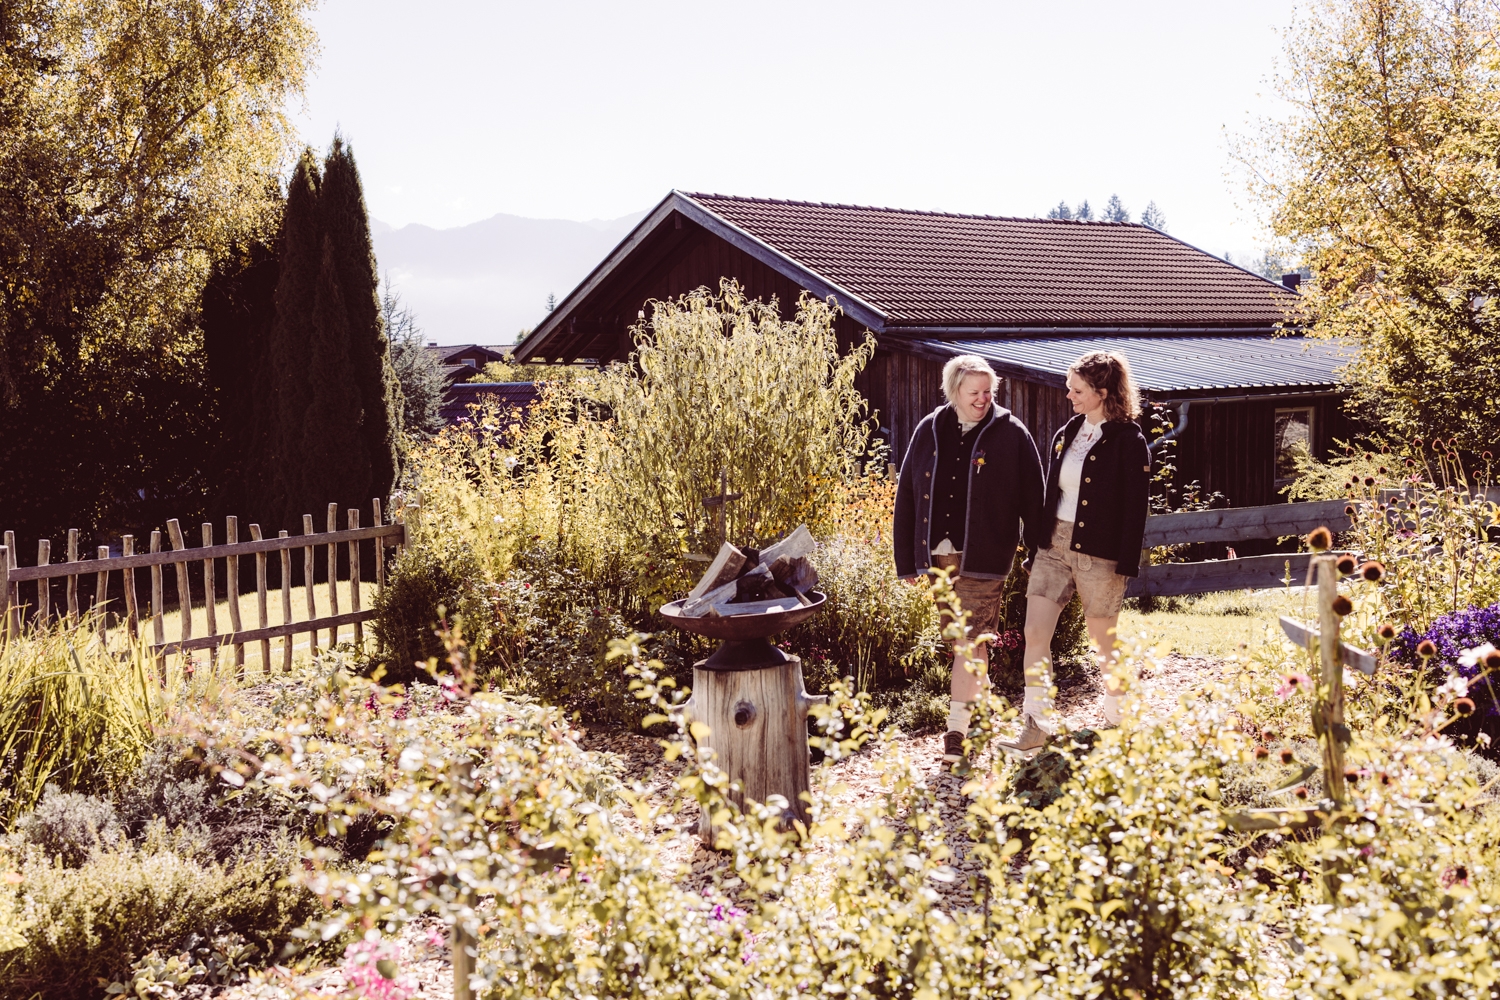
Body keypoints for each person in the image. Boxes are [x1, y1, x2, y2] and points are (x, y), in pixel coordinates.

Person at [893, 354, 1045, 763]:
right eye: (974, 392)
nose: (982, 399)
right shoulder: (930, 429)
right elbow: (906, 493)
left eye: (988, 391)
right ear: (954, 390)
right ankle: (981, 711)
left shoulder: (1011, 432)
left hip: (985, 556)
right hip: (938, 557)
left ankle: (956, 731)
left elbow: (1034, 496)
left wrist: (1037, 551)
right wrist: (906, 561)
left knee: (968, 640)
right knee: (967, 642)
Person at [999, 351, 1150, 754]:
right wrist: (1036, 547)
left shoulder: (1130, 441)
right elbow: (1052, 494)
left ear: (1102, 392)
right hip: (1053, 547)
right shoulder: (1068, 431)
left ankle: (1119, 721)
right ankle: (1037, 726)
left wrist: (1125, 565)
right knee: (1034, 633)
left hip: (1099, 554)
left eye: (1077, 389)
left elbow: (1135, 509)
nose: (1068, 394)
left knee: (1103, 642)